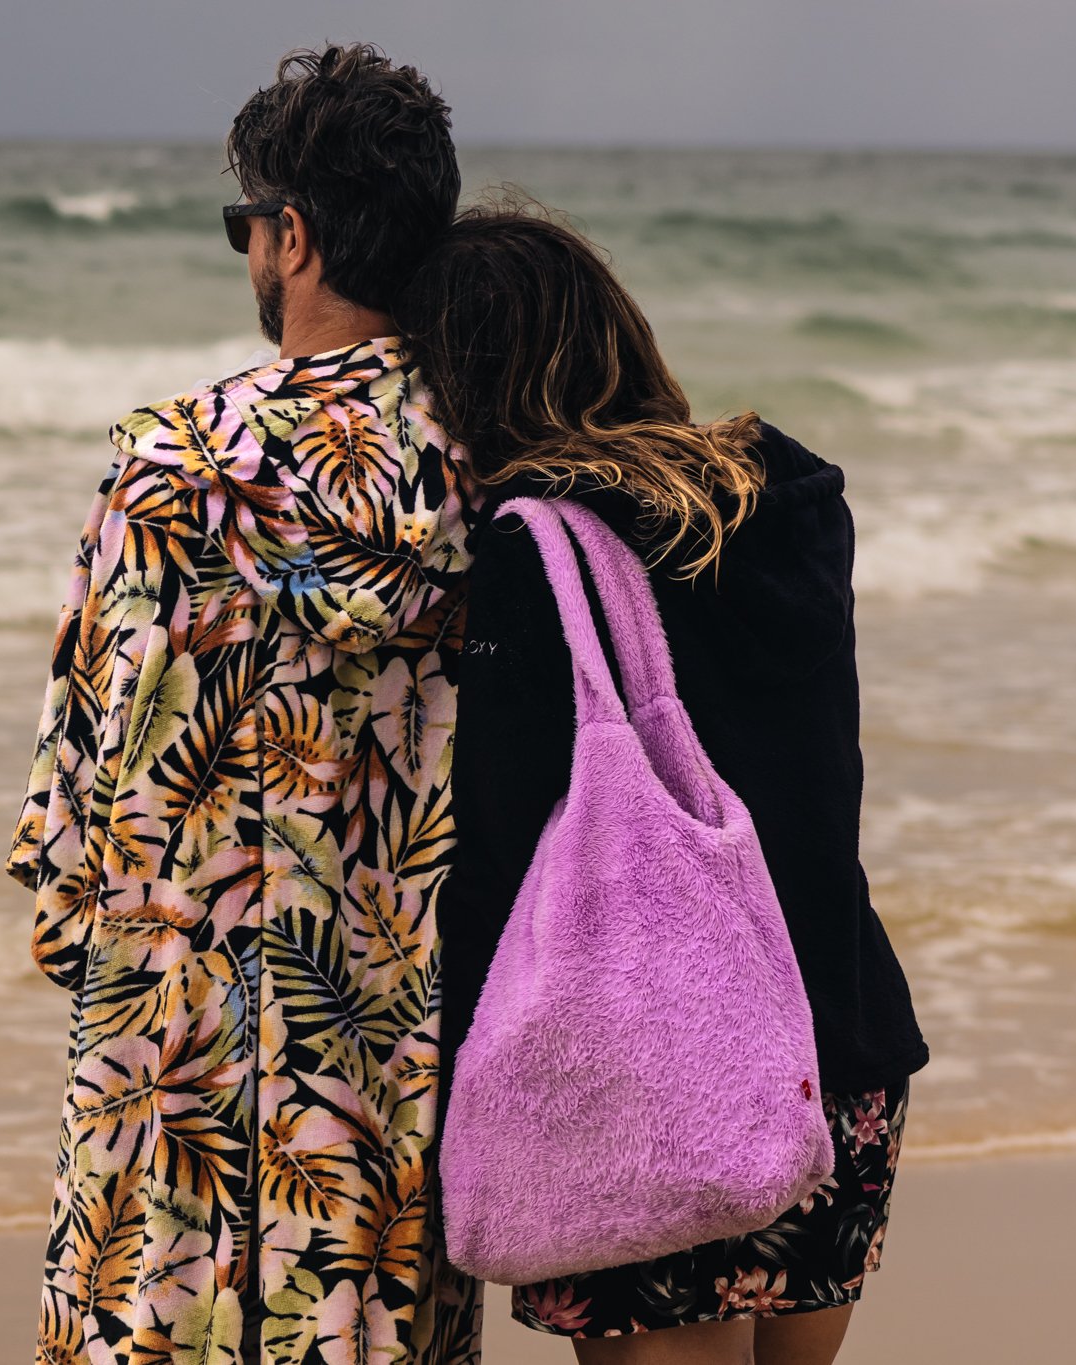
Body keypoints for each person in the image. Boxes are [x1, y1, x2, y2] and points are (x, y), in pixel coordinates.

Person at [4, 46, 483, 1365]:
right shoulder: (485, 464)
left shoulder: (170, 464)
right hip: (391, 1046)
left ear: (294, 237)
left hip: (177, 1049)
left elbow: (79, 801)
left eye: (246, 228)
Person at [396, 207, 930, 1365]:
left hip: (655, 1072)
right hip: (835, 1047)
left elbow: (500, 858)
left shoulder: (534, 551)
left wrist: (447, 1093)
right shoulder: (787, 499)